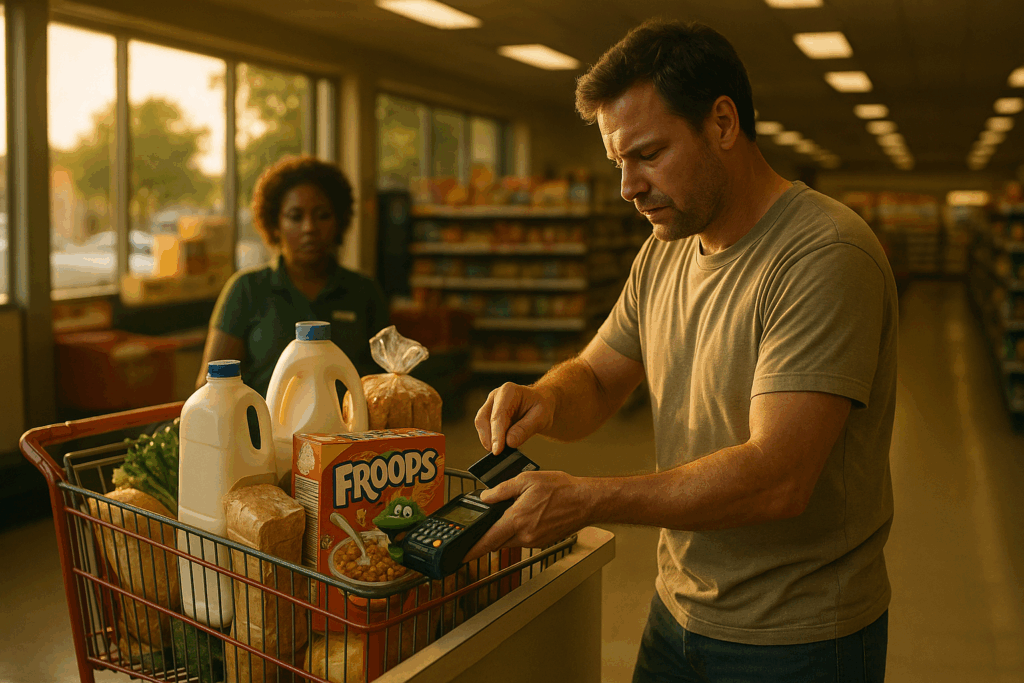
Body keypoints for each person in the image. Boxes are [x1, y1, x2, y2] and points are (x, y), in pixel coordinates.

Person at [469, 19, 897, 683]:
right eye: (619, 163)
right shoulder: (664, 251)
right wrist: (545, 399)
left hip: (800, 639)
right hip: (678, 614)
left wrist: (587, 499)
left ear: (722, 124)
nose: (627, 186)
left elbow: (780, 478)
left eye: (647, 154)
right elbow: (599, 378)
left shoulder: (824, 255)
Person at [198, 156, 389, 396]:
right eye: (295, 216)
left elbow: (387, 385)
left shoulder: (364, 292)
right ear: (275, 224)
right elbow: (209, 391)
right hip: (261, 433)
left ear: (339, 222)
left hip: (348, 432)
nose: (309, 228)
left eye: (322, 215)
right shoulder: (247, 289)